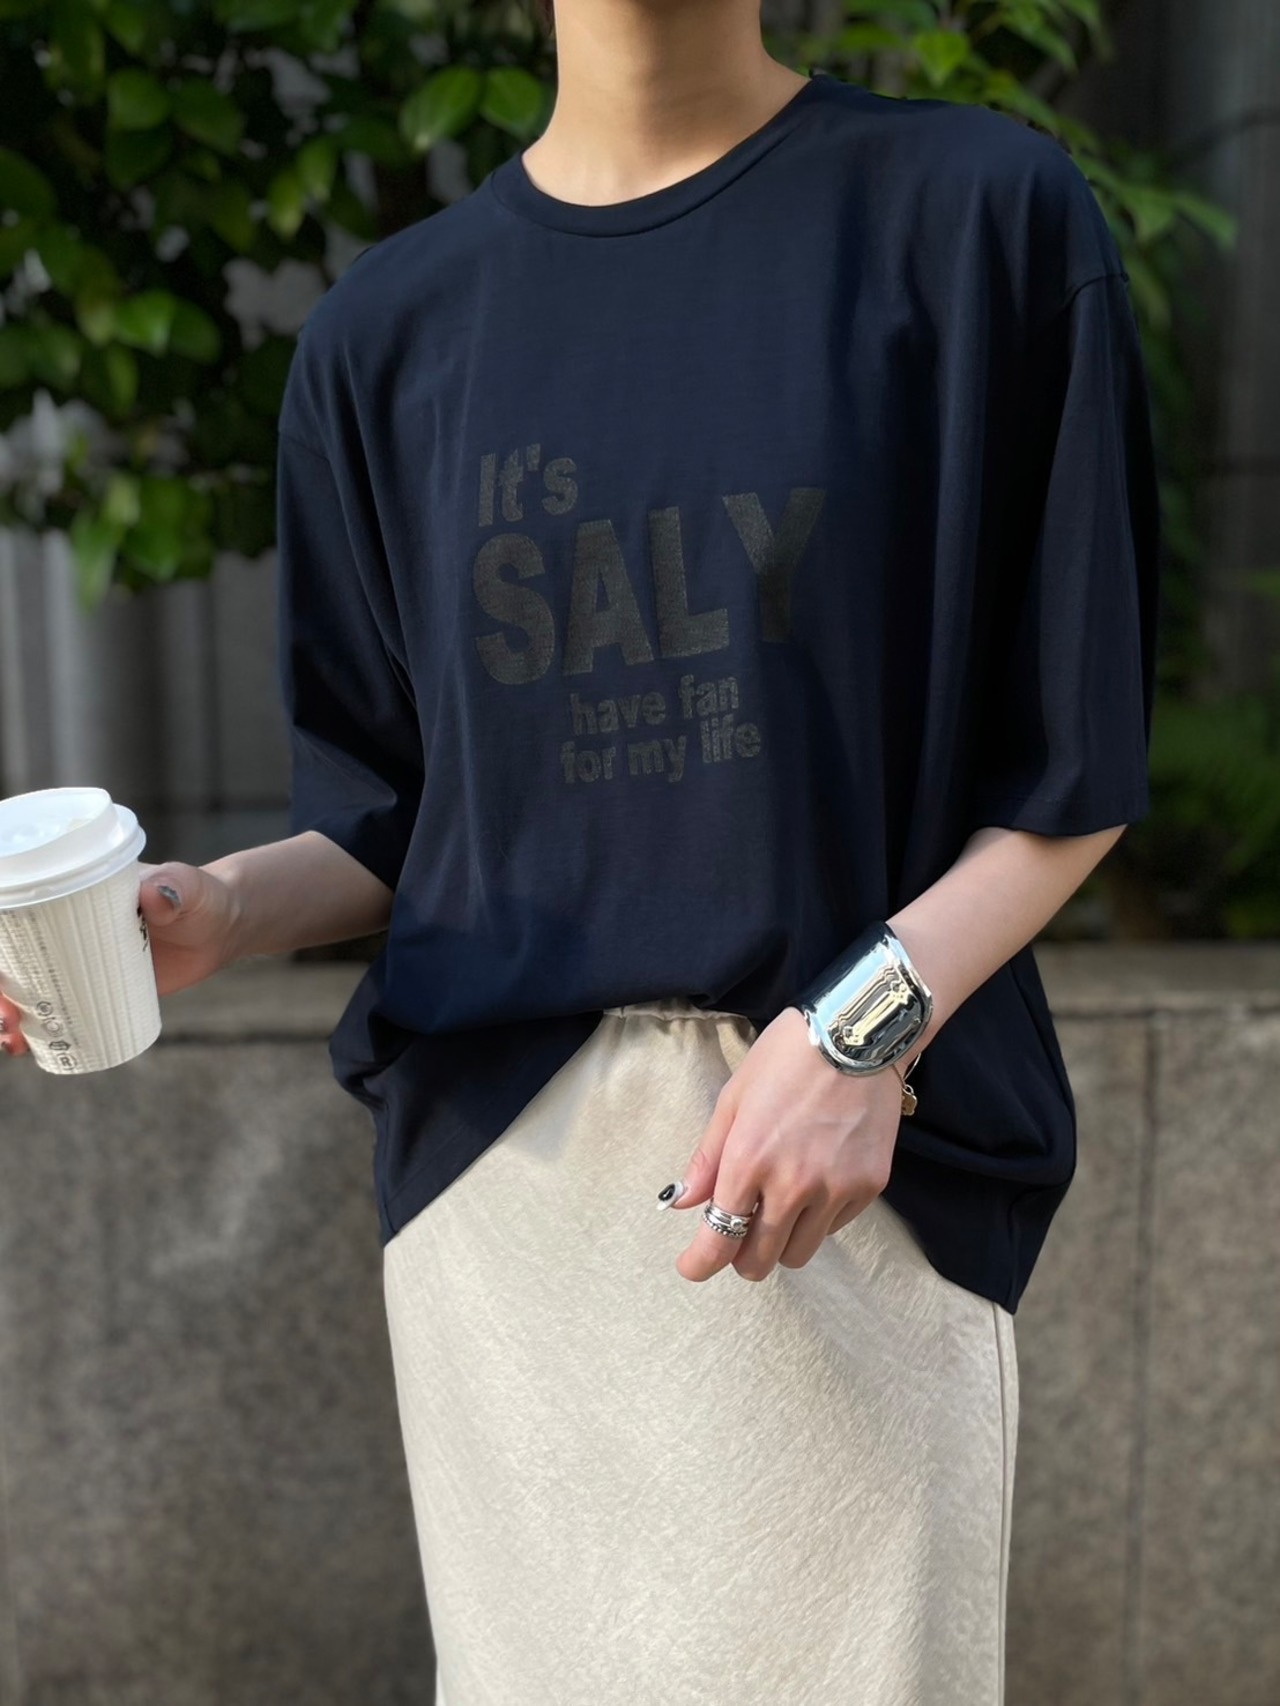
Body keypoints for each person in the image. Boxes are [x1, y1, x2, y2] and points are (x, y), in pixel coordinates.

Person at [0, 1, 1161, 1700]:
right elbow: (400, 816)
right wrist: (218, 910)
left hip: (845, 1175)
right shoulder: (388, 335)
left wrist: (864, 1031)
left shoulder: (977, 217)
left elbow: (1074, 761)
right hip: (503, 1221)